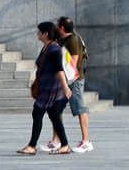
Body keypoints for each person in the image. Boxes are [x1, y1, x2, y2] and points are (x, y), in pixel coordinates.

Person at [20, 21, 72, 156]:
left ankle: (32, 146)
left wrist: (65, 88)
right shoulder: (46, 47)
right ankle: (65, 145)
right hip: (46, 86)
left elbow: (59, 70)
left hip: (52, 88)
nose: (37, 34)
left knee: (38, 113)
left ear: (46, 33)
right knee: (53, 116)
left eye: (39, 32)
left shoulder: (54, 49)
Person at [49, 17, 93, 154]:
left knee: (79, 108)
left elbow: (73, 63)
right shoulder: (63, 39)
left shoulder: (73, 40)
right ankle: (56, 141)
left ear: (62, 28)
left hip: (74, 80)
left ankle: (86, 141)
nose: (55, 27)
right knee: (56, 109)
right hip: (65, 80)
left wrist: (65, 81)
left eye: (57, 25)